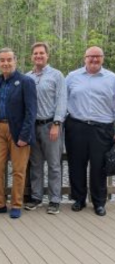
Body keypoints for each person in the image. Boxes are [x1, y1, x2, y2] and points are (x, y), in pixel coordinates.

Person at [0, 47, 37, 219]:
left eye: (9, 60)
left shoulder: (26, 81)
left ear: (15, 61)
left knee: (18, 170)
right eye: (2, 60)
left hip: (18, 131)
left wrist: (24, 136)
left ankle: (16, 204)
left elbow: (31, 111)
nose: (6, 63)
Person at [65, 46, 115, 216]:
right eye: (90, 56)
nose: (94, 59)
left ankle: (99, 202)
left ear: (103, 58)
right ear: (84, 58)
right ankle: (79, 199)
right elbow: (62, 101)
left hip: (102, 129)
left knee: (99, 166)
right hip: (76, 126)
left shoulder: (112, 78)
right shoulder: (72, 77)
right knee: (76, 164)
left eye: (97, 56)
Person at [25, 42, 67, 215]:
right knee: (35, 164)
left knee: (54, 164)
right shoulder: (27, 77)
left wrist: (57, 123)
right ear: (31, 56)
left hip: (50, 125)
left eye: (41, 53)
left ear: (47, 55)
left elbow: (62, 100)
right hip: (33, 126)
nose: (38, 56)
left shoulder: (57, 75)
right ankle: (36, 197)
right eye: (35, 53)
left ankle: (54, 199)